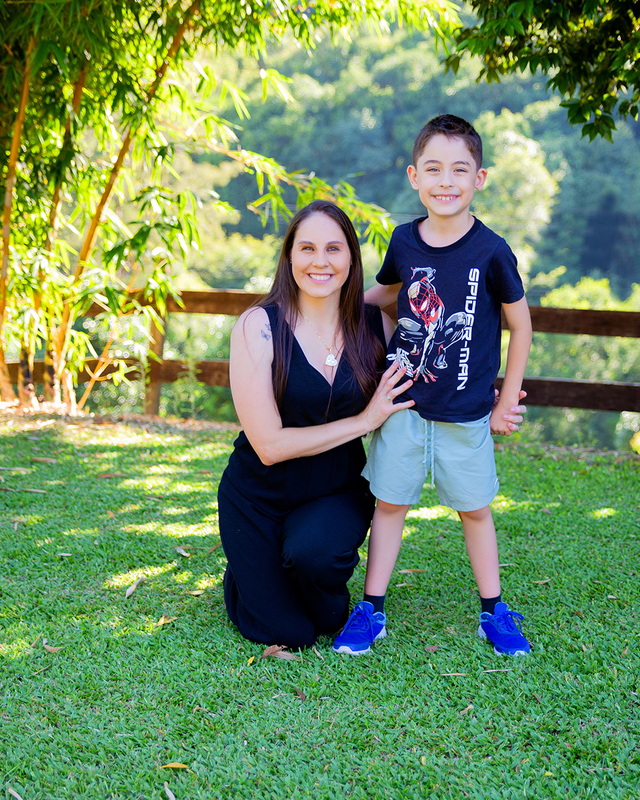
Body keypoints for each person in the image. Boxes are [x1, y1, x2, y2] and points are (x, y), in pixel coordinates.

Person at [333, 114, 534, 657]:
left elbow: (521, 326)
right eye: (434, 169)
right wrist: (328, 306)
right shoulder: (403, 240)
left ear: (479, 178)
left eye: (459, 170)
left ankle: (494, 612)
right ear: (414, 176)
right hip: (401, 403)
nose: (446, 181)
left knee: (476, 510)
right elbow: (385, 295)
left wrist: (506, 400)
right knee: (389, 505)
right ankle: (371, 609)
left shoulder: (492, 250)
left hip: (466, 413)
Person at [217, 200, 415, 649]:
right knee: (288, 632)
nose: (320, 261)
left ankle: (298, 564)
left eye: (333, 248)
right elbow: (268, 446)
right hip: (258, 496)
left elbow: (422, 381)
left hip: (336, 489)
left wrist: (485, 402)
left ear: (351, 259)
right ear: (289, 256)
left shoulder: (376, 327)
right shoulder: (257, 326)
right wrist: (363, 420)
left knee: (324, 608)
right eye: (307, 248)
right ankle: (249, 570)